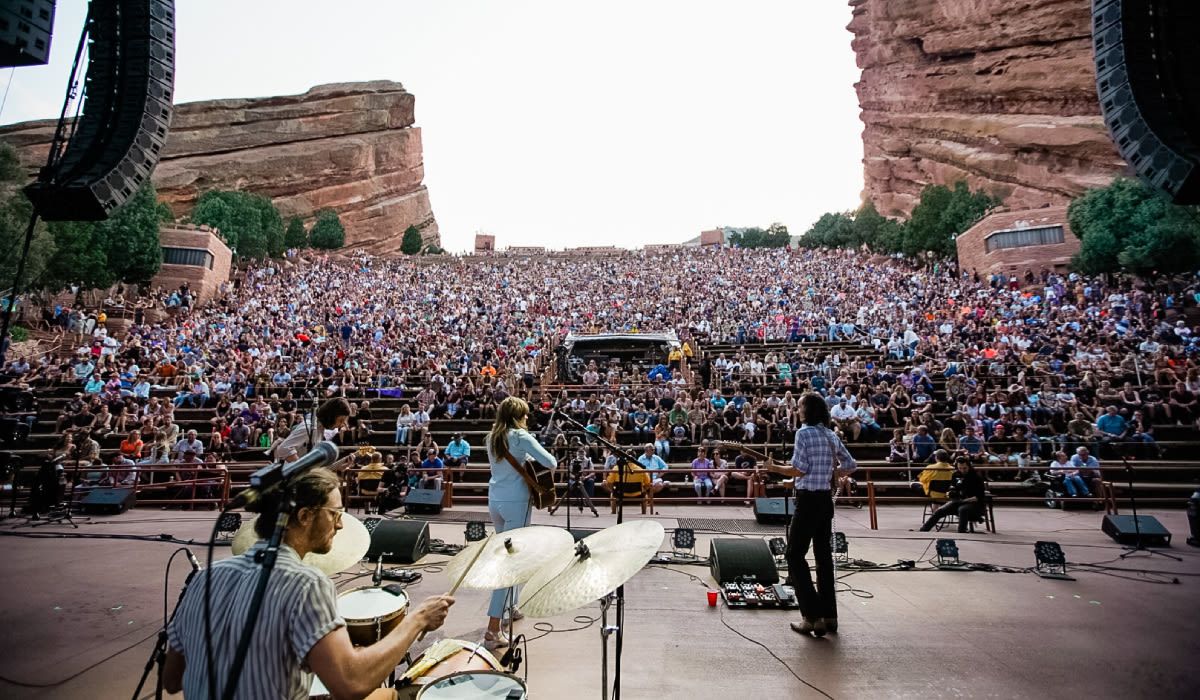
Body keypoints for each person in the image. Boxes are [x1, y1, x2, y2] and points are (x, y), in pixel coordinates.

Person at [163, 468, 453, 699]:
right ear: (304, 516)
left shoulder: (203, 578)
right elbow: (350, 685)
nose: (340, 525)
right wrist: (417, 621)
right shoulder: (306, 584)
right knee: (392, 696)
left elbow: (172, 679)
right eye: (335, 514)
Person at [763, 392, 856, 638]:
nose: (798, 409)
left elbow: (798, 470)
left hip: (807, 501)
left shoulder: (803, 433)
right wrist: (835, 473)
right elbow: (851, 464)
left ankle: (811, 616)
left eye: (801, 405)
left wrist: (773, 468)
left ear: (808, 410)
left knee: (794, 555)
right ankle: (830, 616)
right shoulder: (830, 434)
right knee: (823, 558)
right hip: (825, 500)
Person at [484, 396, 557, 651]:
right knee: (509, 562)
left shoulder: (491, 437)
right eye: (525, 414)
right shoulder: (520, 437)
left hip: (495, 500)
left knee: (509, 555)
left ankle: (511, 606)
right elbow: (551, 462)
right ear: (518, 416)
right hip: (516, 501)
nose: (527, 418)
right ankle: (493, 629)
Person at [271, 398, 352, 463]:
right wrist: (303, 470)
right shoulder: (310, 427)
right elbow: (283, 448)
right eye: (341, 420)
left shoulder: (320, 430)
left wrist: (339, 466)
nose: (342, 425)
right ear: (331, 416)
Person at [920, 456, 987, 533]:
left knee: (962, 509)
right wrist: (951, 492)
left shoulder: (976, 477)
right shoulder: (956, 474)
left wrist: (963, 501)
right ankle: (923, 530)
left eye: (964, 468)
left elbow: (979, 496)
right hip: (958, 501)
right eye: (960, 468)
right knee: (940, 511)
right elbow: (952, 488)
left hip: (974, 503)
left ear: (969, 466)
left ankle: (962, 532)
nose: (962, 470)